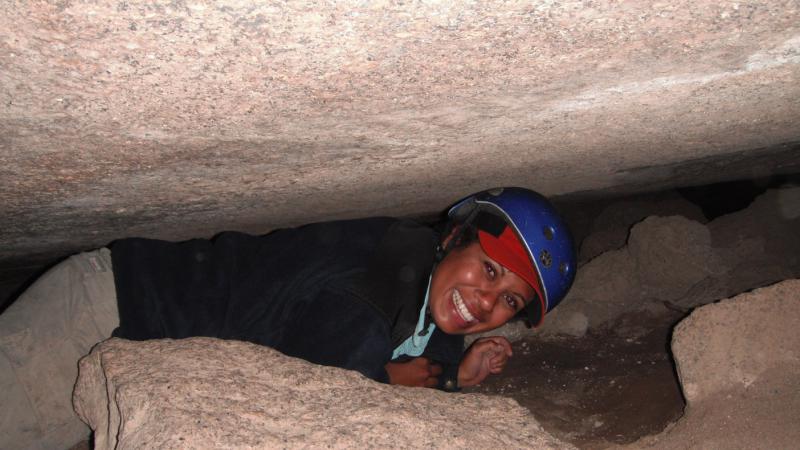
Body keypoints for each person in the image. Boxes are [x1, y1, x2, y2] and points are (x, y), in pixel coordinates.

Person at [0, 187, 576, 449]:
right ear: (454, 237)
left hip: (133, 343)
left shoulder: (423, 283)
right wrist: (399, 381)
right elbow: (325, 396)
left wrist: (457, 372)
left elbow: (421, 347)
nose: (484, 303)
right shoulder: (380, 277)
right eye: (491, 271)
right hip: (101, 310)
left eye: (509, 303)